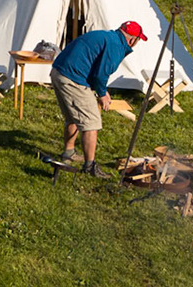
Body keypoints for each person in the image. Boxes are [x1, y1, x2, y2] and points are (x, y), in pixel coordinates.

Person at [49, 20, 146, 175]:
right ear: (132, 39)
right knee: (91, 122)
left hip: (58, 71)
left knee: (73, 116)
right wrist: (102, 94)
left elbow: (95, 68)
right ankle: (89, 166)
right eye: (138, 40)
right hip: (73, 78)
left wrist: (101, 90)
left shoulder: (107, 37)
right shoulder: (116, 46)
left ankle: (69, 153)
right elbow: (101, 74)